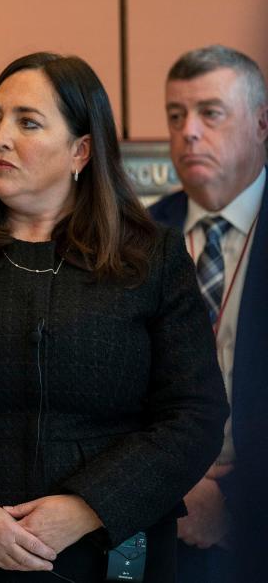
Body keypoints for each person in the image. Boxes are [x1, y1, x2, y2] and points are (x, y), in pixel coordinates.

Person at [0, 52, 229, 581]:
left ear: (81, 150)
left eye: (27, 122)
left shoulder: (151, 257)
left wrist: (87, 507)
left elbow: (193, 414)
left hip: (109, 548)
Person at [149, 45, 268, 583]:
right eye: (176, 116)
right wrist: (177, 492)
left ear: (261, 123)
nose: (189, 131)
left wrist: (233, 501)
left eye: (210, 113)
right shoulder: (136, 239)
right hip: (160, 525)